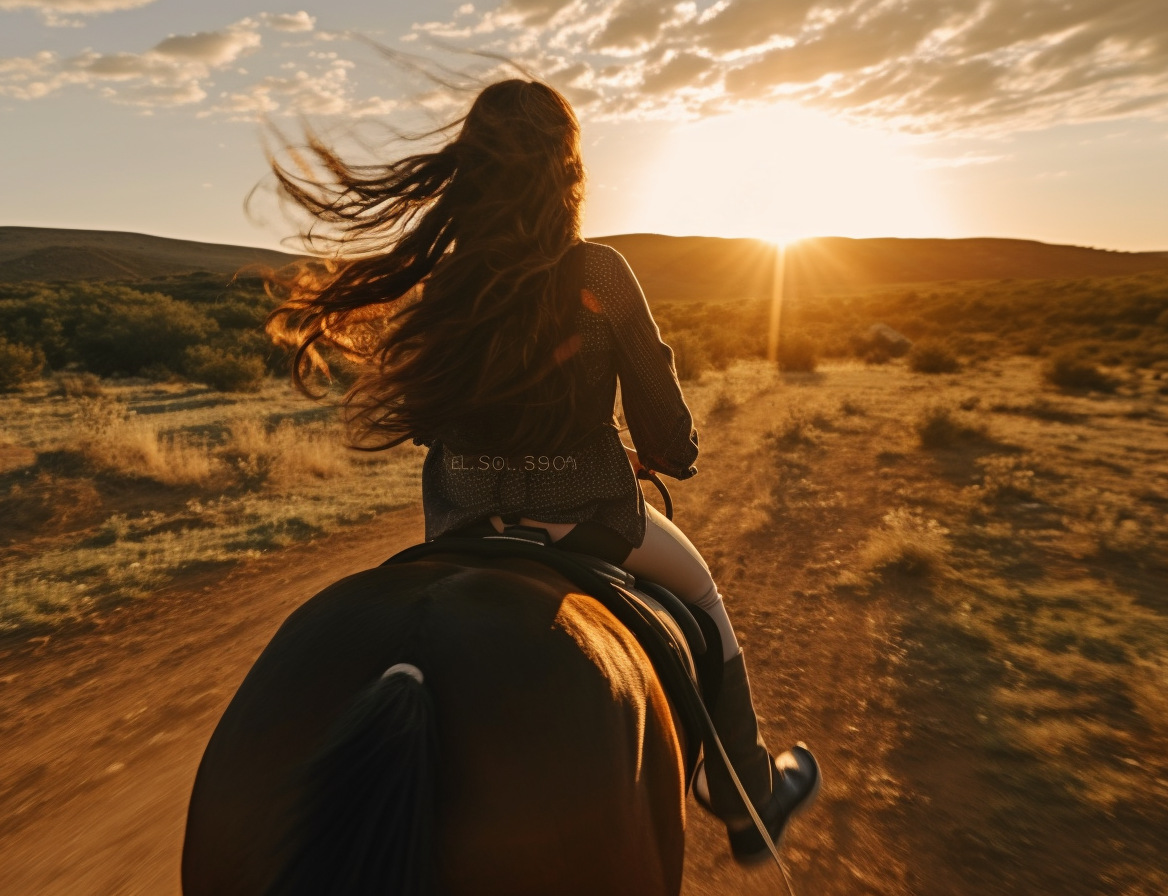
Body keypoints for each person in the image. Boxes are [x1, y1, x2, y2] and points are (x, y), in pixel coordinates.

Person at [264, 77, 819, 863]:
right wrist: (664, 456)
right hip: (589, 516)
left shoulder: (448, 281)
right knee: (702, 596)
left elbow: (427, 423)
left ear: (471, 168)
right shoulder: (599, 274)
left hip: (459, 523)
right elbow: (665, 429)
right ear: (567, 170)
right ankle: (745, 800)